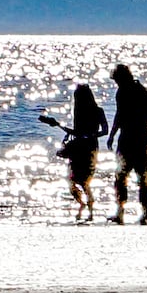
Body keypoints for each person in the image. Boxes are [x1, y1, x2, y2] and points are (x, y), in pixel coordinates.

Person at [110, 60, 147, 224]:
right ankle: (139, 213)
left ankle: (126, 212)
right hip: (139, 140)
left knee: (124, 177)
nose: (117, 84)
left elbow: (120, 115)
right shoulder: (145, 93)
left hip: (132, 140)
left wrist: (112, 134)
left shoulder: (128, 93)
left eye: (117, 80)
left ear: (122, 79)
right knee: (138, 177)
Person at [62, 80, 108, 218]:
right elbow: (77, 132)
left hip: (90, 148)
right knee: (72, 180)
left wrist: (92, 135)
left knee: (83, 180)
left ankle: (89, 205)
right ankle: (83, 204)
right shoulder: (78, 113)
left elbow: (105, 130)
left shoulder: (98, 111)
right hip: (78, 147)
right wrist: (65, 130)